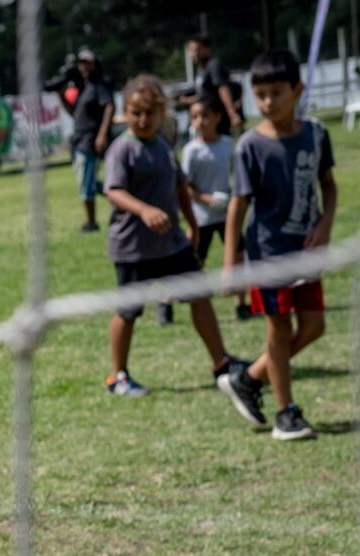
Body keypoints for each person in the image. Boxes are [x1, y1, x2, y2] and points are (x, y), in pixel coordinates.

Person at [221, 49, 339, 442]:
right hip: (268, 255)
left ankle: (248, 377)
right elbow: (239, 205)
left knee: (314, 326)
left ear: (298, 90)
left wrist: (325, 224)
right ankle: (285, 414)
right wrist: (230, 264)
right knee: (279, 330)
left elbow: (328, 184)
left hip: (306, 252)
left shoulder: (316, 134)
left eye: (277, 92)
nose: (269, 102)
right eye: (261, 94)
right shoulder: (249, 147)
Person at [101, 75, 242, 402]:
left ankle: (221, 362)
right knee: (128, 310)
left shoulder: (164, 146)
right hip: (134, 248)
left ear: (162, 112)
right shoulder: (122, 149)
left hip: (172, 242)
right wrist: (144, 210)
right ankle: (118, 376)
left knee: (199, 295)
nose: (142, 119)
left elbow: (180, 188)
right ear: (125, 113)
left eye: (150, 112)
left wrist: (192, 224)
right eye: (136, 113)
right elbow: (114, 191)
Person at [180, 98, 252, 320]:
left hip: (227, 215)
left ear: (217, 117)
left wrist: (233, 198)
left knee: (238, 257)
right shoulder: (191, 151)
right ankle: (169, 300)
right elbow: (186, 186)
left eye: (205, 115)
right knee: (192, 263)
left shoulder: (228, 146)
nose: (200, 121)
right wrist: (206, 198)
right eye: (194, 117)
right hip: (201, 218)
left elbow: (239, 177)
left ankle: (241, 303)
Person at [69, 47, 114, 233]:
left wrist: (102, 134)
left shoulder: (99, 85)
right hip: (79, 140)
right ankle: (122, 194)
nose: (83, 67)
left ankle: (92, 223)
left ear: (95, 64)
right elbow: (74, 114)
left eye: (87, 63)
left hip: (90, 140)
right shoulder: (84, 88)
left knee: (87, 184)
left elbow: (109, 107)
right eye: (81, 63)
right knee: (87, 184)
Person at [182, 35, 245, 137]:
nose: (193, 54)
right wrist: (189, 100)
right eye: (191, 50)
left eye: (197, 49)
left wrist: (232, 114)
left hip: (217, 121)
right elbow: (205, 95)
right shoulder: (201, 69)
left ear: (207, 49)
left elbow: (223, 89)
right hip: (205, 120)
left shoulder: (213, 65)